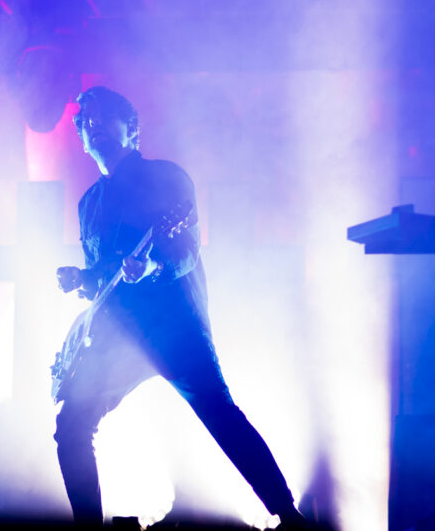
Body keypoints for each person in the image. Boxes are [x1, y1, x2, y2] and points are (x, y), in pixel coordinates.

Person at [53, 86, 312, 529]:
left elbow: (186, 250)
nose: (90, 123)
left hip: (174, 325)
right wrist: (82, 279)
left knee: (220, 413)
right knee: (71, 426)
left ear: (131, 128)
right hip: (119, 334)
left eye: (102, 116)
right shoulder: (88, 203)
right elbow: (102, 276)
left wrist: (151, 264)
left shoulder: (166, 178)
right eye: (84, 119)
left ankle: (289, 515)